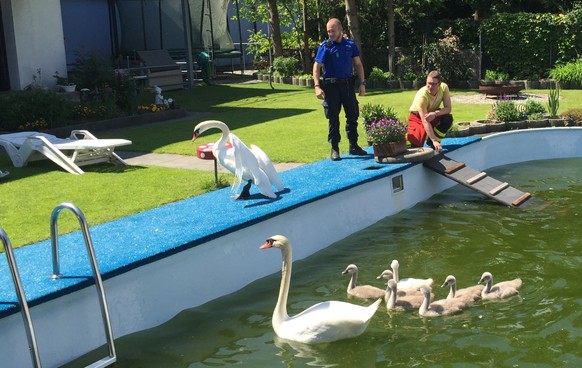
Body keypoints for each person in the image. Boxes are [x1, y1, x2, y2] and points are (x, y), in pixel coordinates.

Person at [312, 18, 367, 161]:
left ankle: (353, 145)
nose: (330, 34)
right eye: (328, 31)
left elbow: (358, 65)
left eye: (332, 30)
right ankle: (335, 148)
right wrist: (317, 86)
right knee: (333, 118)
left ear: (340, 30)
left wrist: (362, 83)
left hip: (347, 85)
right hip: (331, 87)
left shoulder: (350, 45)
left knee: (352, 115)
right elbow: (316, 67)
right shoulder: (325, 46)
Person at [407, 70, 453, 153]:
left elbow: (448, 108)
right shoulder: (422, 96)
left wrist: (435, 114)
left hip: (432, 114)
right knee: (416, 147)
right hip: (417, 117)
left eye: (433, 84)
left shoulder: (444, 88)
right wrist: (434, 139)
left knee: (448, 118)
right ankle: (406, 137)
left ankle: (432, 144)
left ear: (439, 84)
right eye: (428, 83)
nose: (430, 87)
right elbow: (425, 121)